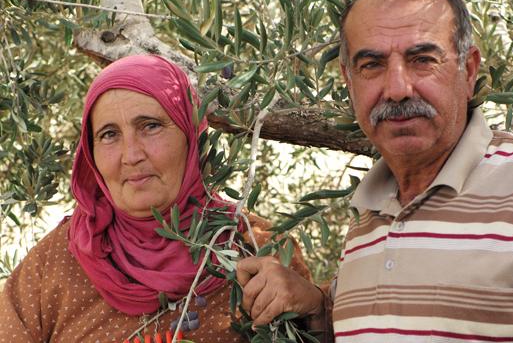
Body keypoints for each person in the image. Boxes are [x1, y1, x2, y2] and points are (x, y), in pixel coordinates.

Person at [236, 0, 513, 341]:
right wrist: (318, 308)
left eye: (422, 60)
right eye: (371, 65)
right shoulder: (367, 220)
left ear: (469, 70)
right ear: (348, 81)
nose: (398, 88)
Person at [0, 54, 310, 343]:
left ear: (191, 135)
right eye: (109, 134)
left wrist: (316, 311)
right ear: (90, 155)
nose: (131, 155)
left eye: (150, 126)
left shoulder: (258, 248)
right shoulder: (55, 262)